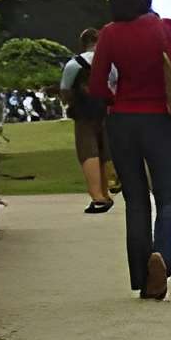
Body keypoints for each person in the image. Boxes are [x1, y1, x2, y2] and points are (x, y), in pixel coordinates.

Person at [87, 0, 171, 299]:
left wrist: (115, 100)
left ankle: (141, 276)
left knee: (136, 201)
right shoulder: (164, 28)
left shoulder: (108, 34)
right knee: (170, 198)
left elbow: (96, 85)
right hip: (160, 120)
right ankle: (160, 260)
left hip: (122, 122)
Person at [57, 27, 115, 211]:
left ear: (83, 44)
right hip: (105, 108)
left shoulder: (74, 64)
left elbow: (65, 89)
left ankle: (97, 195)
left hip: (83, 112)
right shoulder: (111, 63)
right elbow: (115, 84)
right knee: (106, 149)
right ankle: (109, 188)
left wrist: (68, 103)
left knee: (88, 151)